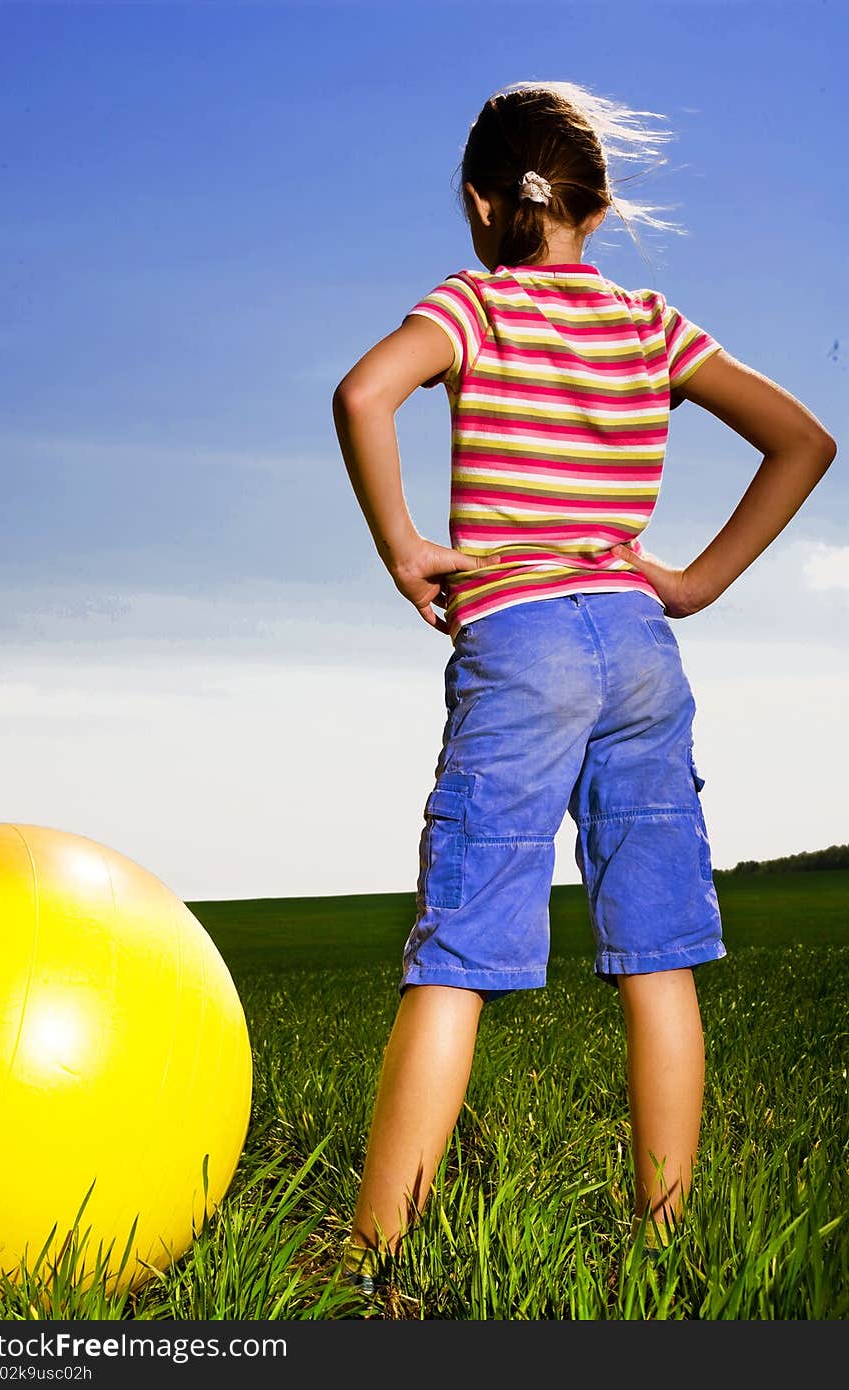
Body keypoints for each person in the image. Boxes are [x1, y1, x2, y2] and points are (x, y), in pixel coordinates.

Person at [330, 80, 836, 1293]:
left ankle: (373, 1263)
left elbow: (362, 393)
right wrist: (697, 581)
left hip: (519, 644)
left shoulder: (472, 307)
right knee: (656, 950)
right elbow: (804, 438)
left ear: (478, 202)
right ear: (596, 208)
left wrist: (403, 545)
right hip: (638, 645)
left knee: (459, 949)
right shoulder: (652, 323)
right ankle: (666, 1243)